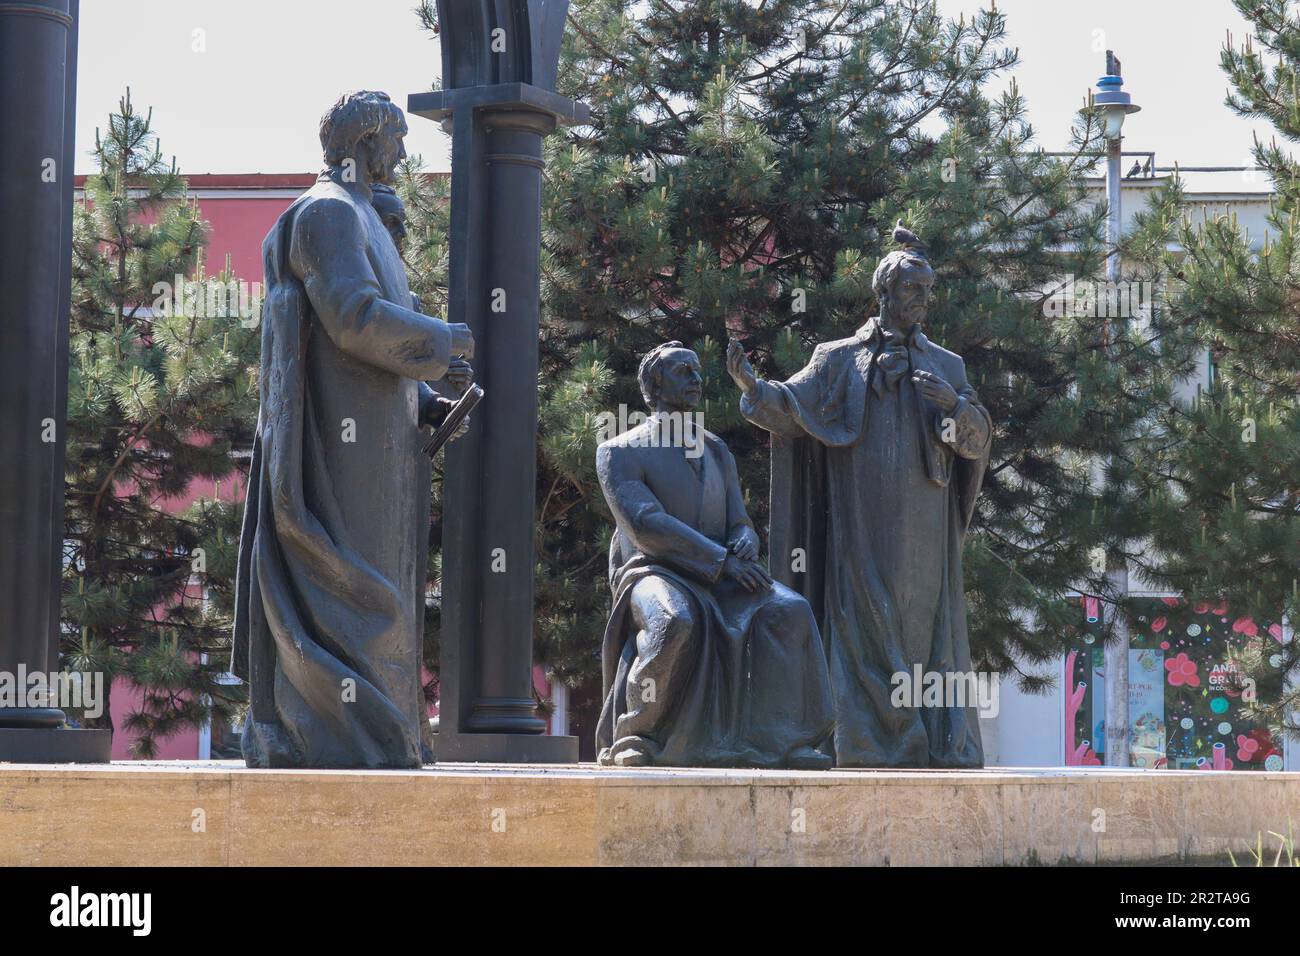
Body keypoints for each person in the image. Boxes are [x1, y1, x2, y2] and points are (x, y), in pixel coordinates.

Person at [233, 91, 474, 768]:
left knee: (382, 588)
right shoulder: (330, 212)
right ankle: (344, 740)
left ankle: (381, 738)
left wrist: (425, 399)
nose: (402, 153)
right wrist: (444, 339)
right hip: (337, 449)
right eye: (395, 140)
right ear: (366, 142)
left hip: (377, 442)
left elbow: (371, 348)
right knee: (360, 591)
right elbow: (354, 318)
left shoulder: (364, 215)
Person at [727, 227, 991, 768]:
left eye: (927, 290)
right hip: (859, 519)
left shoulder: (949, 366)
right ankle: (861, 739)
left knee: (922, 624)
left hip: (924, 523)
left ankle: (931, 737)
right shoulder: (839, 357)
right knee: (861, 618)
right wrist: (753, 390)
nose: (922, 299)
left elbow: (976, 441)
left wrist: (955, 409)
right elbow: (792, 406)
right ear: (885, 293)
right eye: (912, 289)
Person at [595, 342, 834, 768]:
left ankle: (784, 738)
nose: (695, 378)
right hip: (655, 570)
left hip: (721, 571)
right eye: (682, 370)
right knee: (674, 620)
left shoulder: (716, 449)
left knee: (790, 609)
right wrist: (722, 560)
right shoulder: (619, 451)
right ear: (654, 385)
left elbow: (738, 520)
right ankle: (639, 733)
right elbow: (646, 525)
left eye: (697, 370)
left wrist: (746, 540)